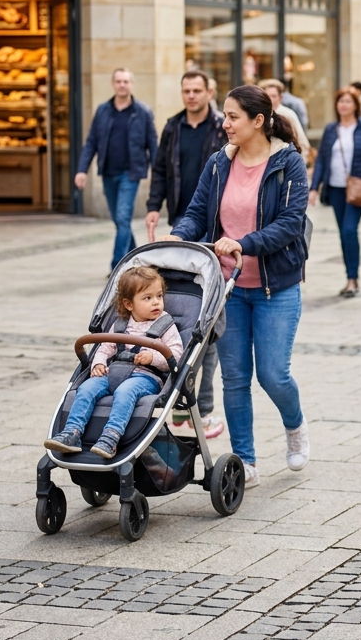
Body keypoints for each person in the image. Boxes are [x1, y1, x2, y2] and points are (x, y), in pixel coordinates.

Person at [166, 85, 311, 487]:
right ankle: (245, 460)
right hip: (228, 290)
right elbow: (198, 212)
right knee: (234, 378)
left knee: (273, 375)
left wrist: (244, 244)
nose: (225, 124)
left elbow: (290, 223)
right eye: (225, 116)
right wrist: (178, 236)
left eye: (233, 117)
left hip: (275, 287)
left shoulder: (288, 163)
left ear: (258, 121)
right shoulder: (219, 163)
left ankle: (295, 425)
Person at [145, 70, 229, 439]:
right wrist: (154, 206)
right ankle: (183, 400)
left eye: (197, 90)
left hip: (218, 226)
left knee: (208, 320)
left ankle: (200, 404)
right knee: (184, 309)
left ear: (209, 92)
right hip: (184, 220)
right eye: (186, 90)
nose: (191, 96)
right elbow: (161, 169)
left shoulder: (222, 127)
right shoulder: (173, 126)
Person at [44, 267, 184, 459]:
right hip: (114, 373)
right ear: (129, 304)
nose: (156, 302)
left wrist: (153, 357)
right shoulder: (120, 324)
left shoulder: (165, 325)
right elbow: (104, 348)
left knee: (125, 392)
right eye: (147, 298)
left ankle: (111, 437)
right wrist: (98, 364)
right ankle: (72, 433)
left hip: (146, 377)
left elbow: (176, 355)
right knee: (86, 388)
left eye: (159, 296)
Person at [75, 69, 158, 269]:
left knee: (122, 217)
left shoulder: (142, 112)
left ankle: (118, 267)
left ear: (131, 84)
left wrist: (158, 176)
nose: (122, 85)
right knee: (120, 221)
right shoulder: (103, 111)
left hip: (130, 174)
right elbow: (91, 142)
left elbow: (153, 146)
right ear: (113, 84)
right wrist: (82, 170)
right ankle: (138, 260)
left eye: (126, 81)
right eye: (119, 81)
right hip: (108, 172)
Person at [310, 88, 361, 297]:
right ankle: (350, 278)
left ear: (356, 105)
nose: (344, 105)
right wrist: (314, 188)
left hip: (358, 188)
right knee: (343, 233)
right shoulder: (331, 129)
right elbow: (321, 160)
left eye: (348, 101)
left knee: (349, 230)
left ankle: (352, 279)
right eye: (340, 101)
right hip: (335, 188)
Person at [259, 79, 311, 157]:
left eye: (274, 96)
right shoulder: (258, 115)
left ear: (280, 97)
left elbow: (302, 143)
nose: (271, 99)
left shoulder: (288, 114)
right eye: (268, 96)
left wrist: (299, 161)